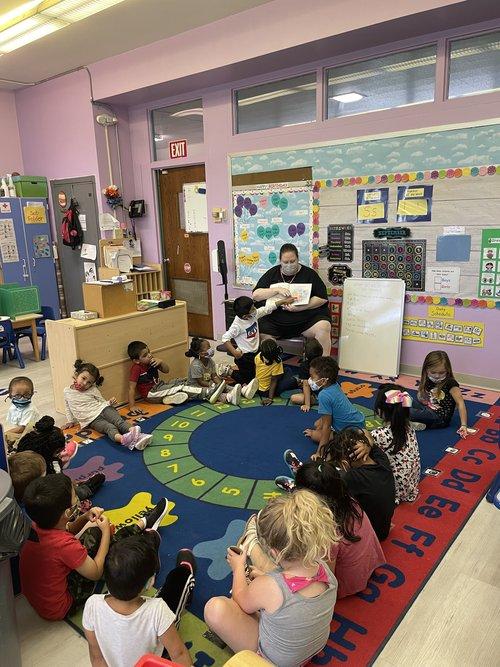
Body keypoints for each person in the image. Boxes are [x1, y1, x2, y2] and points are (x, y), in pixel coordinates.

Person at [204, 490, 339, 666]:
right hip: (311, 649)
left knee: (215, 609)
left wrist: (238, 567)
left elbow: (241, 600)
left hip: (275, 662)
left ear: (275, 553)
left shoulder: (270, 586)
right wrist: (264, 580)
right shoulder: (325, 570)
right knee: (265, 595)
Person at [20, 472, 169, 621]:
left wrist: (84, 517)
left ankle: (141, 525)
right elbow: (96, 572)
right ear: (67, 511)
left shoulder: (37, 525)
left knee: (94, 534)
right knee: (107, 548)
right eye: (76, 498)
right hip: (63, 606)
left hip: (41, 600)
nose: (79, 500)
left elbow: (68, 529)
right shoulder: (64, 545)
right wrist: (105, 532)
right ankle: (143, 533)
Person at [275, 459, 385, 599]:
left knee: (283, 554)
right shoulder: (349, 500)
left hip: (346, 584)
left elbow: (327, 578)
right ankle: (303, 488)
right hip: (369, 564)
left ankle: (297, 493)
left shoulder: (326, 532)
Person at [83, 539, 196, 667]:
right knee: (177, 581)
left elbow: (97, 658)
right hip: (155, 655)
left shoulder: (92, 604)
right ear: (150, 582)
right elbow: (179, 654)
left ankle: (153, 544)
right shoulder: (158, 610)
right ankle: (185, 570)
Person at [252, 243, 332, 354]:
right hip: (275, 321)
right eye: (285, 262)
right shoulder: (272, 273)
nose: (289, 265)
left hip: (305, 320)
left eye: (293, 261)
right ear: (280, 261)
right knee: (261, 331)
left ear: (298, 259)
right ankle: (271, 363)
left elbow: (322, 298)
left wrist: (301, 307)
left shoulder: (309, 274)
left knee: (324, 326)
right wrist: (277, 290)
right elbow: (256, 294)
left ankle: (322, 366)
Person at [319, 428, 396, 541]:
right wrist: (368, 444)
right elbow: (364, 431)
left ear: (345, 463)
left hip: (370, 536)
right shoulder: (381, 459)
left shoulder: (352, 477)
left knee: (325, 504)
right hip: (383, 529)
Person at [63, 359, 152, 451]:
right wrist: (70, 421)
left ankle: (137, 434)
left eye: (89, 382)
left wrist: (109, 403)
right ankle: (124, 440)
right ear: (77, 374)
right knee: (109, 428)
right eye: (83, 378)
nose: (85, 383)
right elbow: (68, 407)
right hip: (91, 420)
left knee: (119, 422)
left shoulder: (92, 389)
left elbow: (102, 402)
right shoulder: (67, 391)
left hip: (104, 409)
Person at [15, 416, 105, 503]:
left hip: (24, 494)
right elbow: (60, 485)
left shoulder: (26, 443)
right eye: (58, 452)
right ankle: (85, 488)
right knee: (86, 488)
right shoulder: (49, 464)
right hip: (45, 499)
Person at [221, 295, 294, 385]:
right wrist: (235, 353)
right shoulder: (237, 325)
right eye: (252, 309)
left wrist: (283, 301)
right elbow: (225, 338)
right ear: (245, 316)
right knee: (248, 380)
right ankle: (229, 371)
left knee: (259, 375)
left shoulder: (253, 315)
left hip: (256, 352)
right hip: (245, 357)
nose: (255, 309)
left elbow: (267, 308)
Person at [370, 384, 421, 503]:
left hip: (395, 489)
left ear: (380, 410)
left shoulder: (379, 435)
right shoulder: (409, 427)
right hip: (411, 483)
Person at [304, 357, 365, 453]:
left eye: (312, 377)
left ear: (324, 380)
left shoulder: (323, 395)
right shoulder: (335, 384)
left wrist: (319, 453)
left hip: (351, 432)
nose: (310, 380)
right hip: (358, 422)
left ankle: (337, 436)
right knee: (317, 424)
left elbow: (327, 426)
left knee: (315, 435)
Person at [410, 351, 469, 436]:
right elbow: (422, 399)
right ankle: (412, 423)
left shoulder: (450, 383)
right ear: (426, 370)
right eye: (433, 372)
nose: (437, 376)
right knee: (406, 398)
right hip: (429, 410)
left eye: (441, 373)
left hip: (440, 419)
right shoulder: (428, 379)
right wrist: (423, 400)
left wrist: (464, 425)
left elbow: (460, 403)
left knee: (408, 411)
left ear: (447, 370)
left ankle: (404, 421)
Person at [127, 340, 189, 412]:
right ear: (137, 361)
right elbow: (131, 388)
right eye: (145, 355)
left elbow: (166, 370)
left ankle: (168, 398)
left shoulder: (152, 361)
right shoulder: (136, 368)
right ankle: (202, 393)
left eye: (149, 352)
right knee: (180, 387)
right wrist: (132, 406)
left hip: (159, 386)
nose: (149, 355)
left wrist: (161, 362)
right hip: (151, 393)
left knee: (179, 381)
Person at [185, 337, 246, 405]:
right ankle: (228, 397)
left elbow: (214, 376)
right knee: (209, 392)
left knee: (223, 386)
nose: (211, 349)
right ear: (201, 353)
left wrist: (221, 385)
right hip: (196, 387)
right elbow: (200, 382)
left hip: (207, 383)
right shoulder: (196, 365)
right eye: (208, 348)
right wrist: (213, 385)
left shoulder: (210, 361)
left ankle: (242, 391)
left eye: (210, 347)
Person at [255, 339, 297, 405]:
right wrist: (270, 398)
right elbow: (273, 381)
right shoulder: (277, 361)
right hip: (267, 391)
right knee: (292, 379)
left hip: (259, 388)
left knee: (286, 370)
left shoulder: (257, 356)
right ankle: (297, 384)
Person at [5, 376, 40, 450]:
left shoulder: (30, 410)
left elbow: (22, 429)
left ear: (32, 394)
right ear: (10, 394)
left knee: (5, 437)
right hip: (22, 433)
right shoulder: (13, 408)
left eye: (26, 395)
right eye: (17, 395)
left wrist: (4, 434)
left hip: (32, 435)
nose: (22, 398)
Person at [290, 338, 324, 411]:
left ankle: (319, 400)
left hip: (318, 395)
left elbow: (306, 385)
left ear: (305, 354)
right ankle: (325, 400)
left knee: (293, 398)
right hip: (328, 394)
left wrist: (307, 404)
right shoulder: (326, 362)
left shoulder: (304, 366)